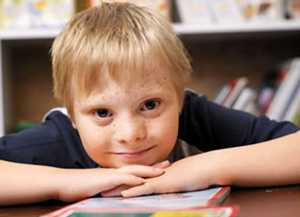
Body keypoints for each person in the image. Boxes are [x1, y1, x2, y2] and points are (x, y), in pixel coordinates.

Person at [0, 2, 299, 206]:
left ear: (179, 99)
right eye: (102, 112)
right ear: (75, 116)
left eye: (150, 105)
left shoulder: (192, 114)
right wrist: (66, 182)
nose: (130, 134)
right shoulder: (60, 137)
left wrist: (203, 167)